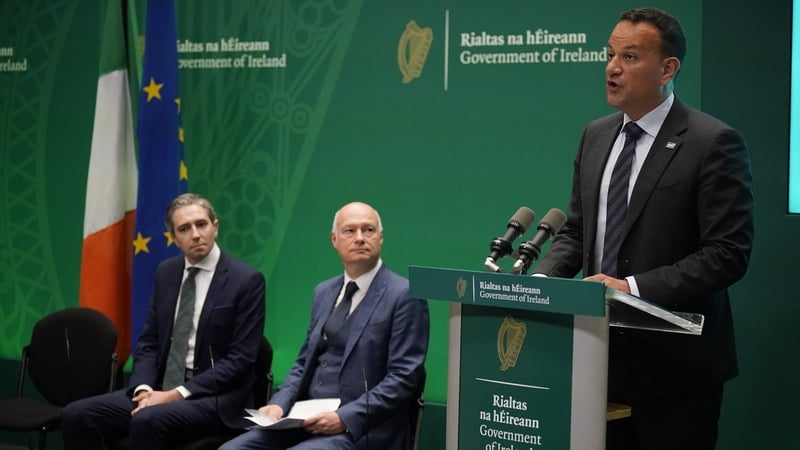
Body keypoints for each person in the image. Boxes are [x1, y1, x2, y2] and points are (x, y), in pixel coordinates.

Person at [533, 7, 754, 450]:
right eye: (610, 54)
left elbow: (727, 253)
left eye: (630, 57)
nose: (612, 68)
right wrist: (542, 285)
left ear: (667, 68)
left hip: (676, 374)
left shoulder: (712, 142)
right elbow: (577, 231)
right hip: (597, 362)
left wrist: (630, 287)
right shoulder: (594, 135)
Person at [61, 193, 266, 449]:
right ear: (175, 238)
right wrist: (143, 390)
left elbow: (241, 361)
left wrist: (175, 395)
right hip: (159, 388)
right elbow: (149, 341)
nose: (195, 234)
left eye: (201, 224)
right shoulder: (166, 272)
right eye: (184, 229)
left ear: (215, 226)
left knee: (147, 420)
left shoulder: (246, 280)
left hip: (214, 398)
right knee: (76, 415)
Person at [220, 201, 429, 450]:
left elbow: (403, 378)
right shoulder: (323, 291)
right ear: (334, 239)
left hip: (364, 428)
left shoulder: (404, 294)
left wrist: (344, 417)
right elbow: (303, 362)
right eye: (350, 231)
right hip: (304, 419)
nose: (360, 238)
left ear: (381, 238)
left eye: (369, 230)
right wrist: (279, 404)